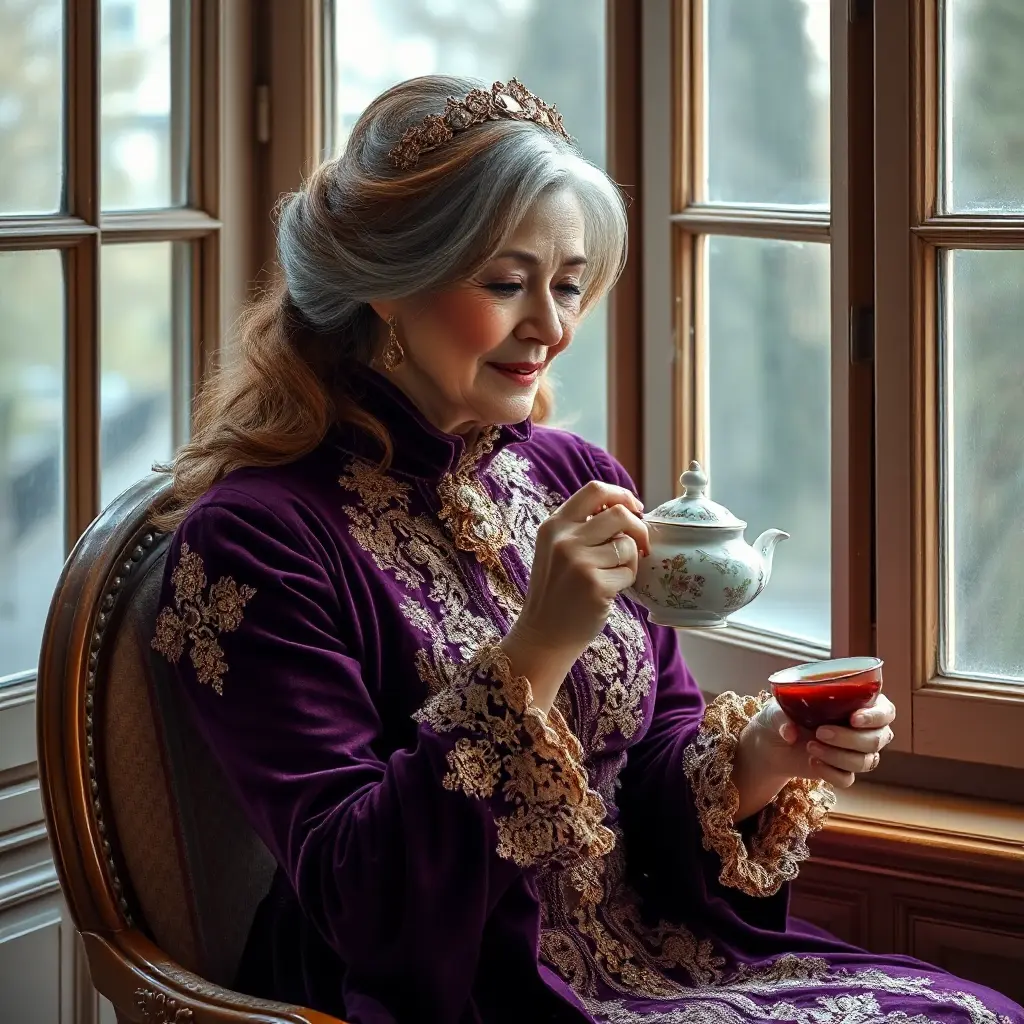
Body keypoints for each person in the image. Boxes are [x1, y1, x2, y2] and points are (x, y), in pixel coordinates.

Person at [150, 75, 1021, 1024]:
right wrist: (535, 650)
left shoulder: (569, 474)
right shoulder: (254, 542)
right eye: (505, 282)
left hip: (659, 958)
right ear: (387, 288)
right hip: (461, 996)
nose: (553, 327)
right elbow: (361, 901)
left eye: (568, 286)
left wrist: (769, 757)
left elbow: (648, 771)